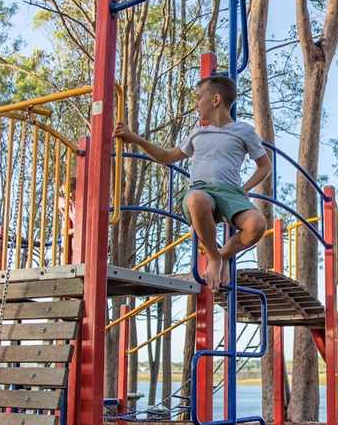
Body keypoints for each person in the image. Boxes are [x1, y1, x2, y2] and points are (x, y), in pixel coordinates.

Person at [114, 75, 271, 290]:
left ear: (215, 100)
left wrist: (245, 188)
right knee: (197, 200)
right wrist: (138, 139)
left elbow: (264, 166)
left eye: (199, 98)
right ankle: (214, 258)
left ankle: (222, 254)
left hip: (231, 194)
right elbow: (167, 157)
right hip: (201, 192)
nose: (196, 104)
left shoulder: (243, 131)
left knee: (257, 225)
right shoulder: (198, 133)